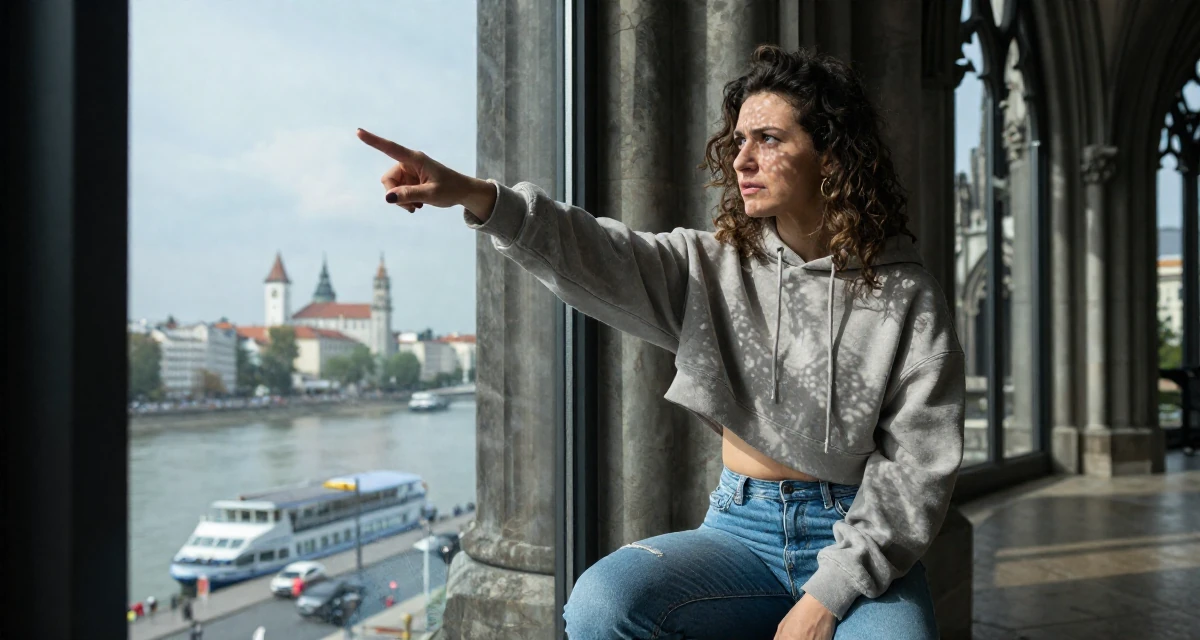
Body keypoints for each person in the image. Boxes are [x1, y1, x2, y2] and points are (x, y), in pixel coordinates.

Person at [357, 44, 963, 640]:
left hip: (856, 529)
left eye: (768, 139)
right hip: (740, 530)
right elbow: (597, 251)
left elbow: (917, 468)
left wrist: (828, 595)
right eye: (739, 141)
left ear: (830, 155)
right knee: (603, 605)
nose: (742, 160)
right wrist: (478, 196)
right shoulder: (712, 266)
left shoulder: (907, 295)